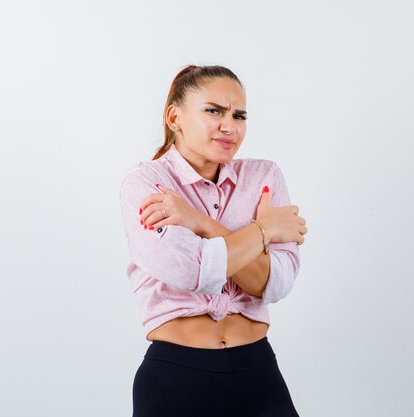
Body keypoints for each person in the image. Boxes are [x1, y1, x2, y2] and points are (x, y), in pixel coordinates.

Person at [119, 65, 307, 417]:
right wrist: (264, 231)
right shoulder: (146, 183)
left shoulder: (264, 176)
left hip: (258, 373)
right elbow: (193, 271)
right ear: (175, 117)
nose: (229, 126)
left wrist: (199, 223)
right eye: (213, 111)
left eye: (239, 115)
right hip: (176, 377)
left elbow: (276, 282)